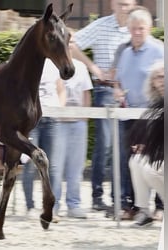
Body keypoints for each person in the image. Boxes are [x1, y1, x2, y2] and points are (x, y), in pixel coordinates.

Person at [70, 0, 137, 211]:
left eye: (128, 4)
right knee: (105, 145)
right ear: (112, 5)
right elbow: (71, 44)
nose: (124, 8)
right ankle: (98, 197)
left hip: (129, 92)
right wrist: (94, 68)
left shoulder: (136, 27)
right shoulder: (101, 25)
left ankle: (121, 198)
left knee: (126, 148)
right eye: (121, 4)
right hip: (105, 90)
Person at [113, 7, 163, 219]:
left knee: (157, 159)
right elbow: (118, 79)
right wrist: (117, 90)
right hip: (129, 115)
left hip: (154, 116)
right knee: (131, 160)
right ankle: (135, 206)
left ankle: (160, 206)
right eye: (133, 28)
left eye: (141, 28)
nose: (137, 32)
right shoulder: (124, 52)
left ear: (149, 29)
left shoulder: (159, 50)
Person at [51, 36, 93, 219]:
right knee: (56, 166)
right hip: (58, 123)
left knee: (76, 167)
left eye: (71, 43)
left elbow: (86, 94)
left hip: (78, 123)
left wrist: (84, 118)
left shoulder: (81, 68)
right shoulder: (51, 66)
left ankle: (74, 204)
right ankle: (53, 205)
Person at [22, 58, 66, 217]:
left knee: (52, 165)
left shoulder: (53, 64)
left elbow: (61, 89)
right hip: (31, 120)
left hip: (51, 119)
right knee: (30, 164)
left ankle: (51, 207)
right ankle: (30, 206)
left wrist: (59, 109)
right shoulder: (24, 63)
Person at [128, 60, 164, 227]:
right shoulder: (154, 104)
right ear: (152, 82)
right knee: (136, 161)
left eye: (165, 77)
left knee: (150, 170)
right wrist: (143, 144)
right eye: (158, 77)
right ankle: (144, 211)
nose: (162, 81)